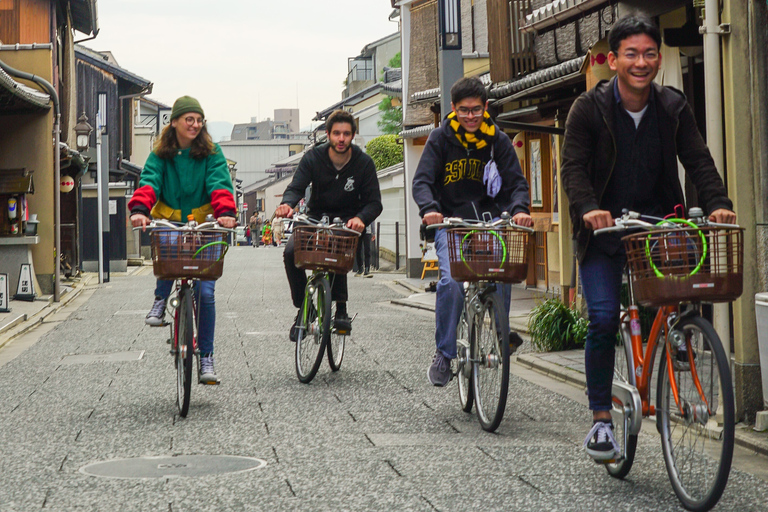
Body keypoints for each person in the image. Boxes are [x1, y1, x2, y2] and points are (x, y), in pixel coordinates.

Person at [560, 14, 736, 462]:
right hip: (604, 230)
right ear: (614, 59)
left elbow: (698, 160)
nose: (642, 62)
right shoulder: (589, 109)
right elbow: (573, 168)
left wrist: (717, 200)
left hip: (658, 227)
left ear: (659, 57)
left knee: (682, 293)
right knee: (601, 318)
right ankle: (601, 420)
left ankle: (676, 333)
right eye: (631, 54)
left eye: (650, 53)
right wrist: (587, 209)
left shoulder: (672, 106)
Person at [412, 76, 533, 387]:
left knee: (502, 273)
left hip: (490, 222)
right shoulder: (440, 139)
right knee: (451, 283)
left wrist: (520, 210)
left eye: (476, 110)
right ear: (453, 108)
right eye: (464, 110)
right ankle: (445, 352)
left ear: (485, 107)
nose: (470, 116)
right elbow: (422, 181)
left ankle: (501, 331)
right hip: (450, 223)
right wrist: (429, 209)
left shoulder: (498, 141)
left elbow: (517, 182)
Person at [129, 95, 237, 384]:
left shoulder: (212, 152)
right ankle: (160, 299)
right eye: (189, 119)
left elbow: (219, 182)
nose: (195, 124)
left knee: (206, 294)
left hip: (204, 224)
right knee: (166, 247)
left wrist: (225, 212)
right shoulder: (160, 154)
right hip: (170, 219)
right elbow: (150, 181)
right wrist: (139, 209)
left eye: (199, 120)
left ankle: (207, 358)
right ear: (174, 121)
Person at [275, 109, 382, 340]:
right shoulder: (313, 157)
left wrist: (361, 218)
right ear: (328, 134)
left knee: (337, 253)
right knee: (291, 252)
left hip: (347, 221)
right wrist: (287, 205)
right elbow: (296, 187)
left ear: (353, 135)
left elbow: (374, 203)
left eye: (346, 133)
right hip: (314, 217)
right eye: (336, 133)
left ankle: (341, 308)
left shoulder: (364, 164)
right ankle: (304, 306)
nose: (341, 139)